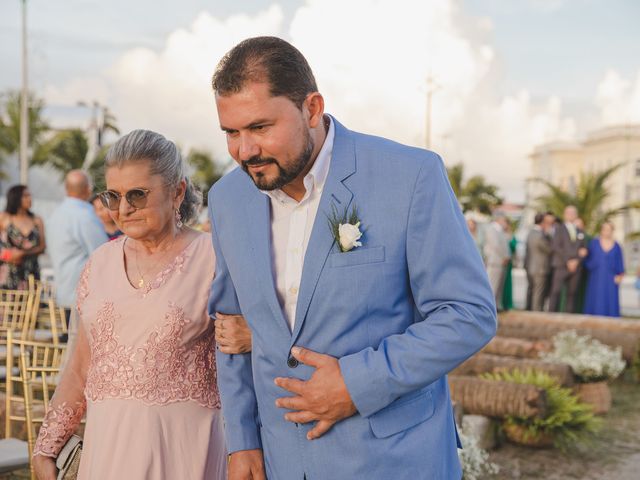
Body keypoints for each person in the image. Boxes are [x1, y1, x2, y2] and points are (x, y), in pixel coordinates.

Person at [208, 36, 496, 480]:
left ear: (311, 108)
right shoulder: (227, 198)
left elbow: (468, 314)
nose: (244, 151)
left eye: (260, 127)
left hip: (393, 459)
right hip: (281, 461)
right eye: (231, 132)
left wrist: (357, 383)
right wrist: (242, 440)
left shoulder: (411, 176)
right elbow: (230, 327)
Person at [32, 130, 251, 479]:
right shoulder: (98, 264)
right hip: (108, 448)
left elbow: (251, 350)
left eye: (137, 194)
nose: (123, 209)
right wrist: (48, 444)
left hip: (184, 450)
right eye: (113, 196)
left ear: (177, 192)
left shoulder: (214, 258)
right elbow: (80, 367)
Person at [46, 170, 109, 313]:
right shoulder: (85, 215)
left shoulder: (56, 214)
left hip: (64, 289)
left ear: (66, 189)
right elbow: (103, 253)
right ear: (88, 189)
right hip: (83, 294)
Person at [0, 185, 46, 289]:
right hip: (8, 275)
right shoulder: (4, 218)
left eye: (30, 195)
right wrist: (8, 255)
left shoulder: (37, 220)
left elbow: (42, 247)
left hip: (31, 274)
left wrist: (23, 253)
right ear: (15, 197)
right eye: (25, 196)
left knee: (32, 304)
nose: (30, 198)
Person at [548, 205, 588, 313]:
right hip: (561, 265)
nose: (571, 215)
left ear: (576, 215)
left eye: (573, 213)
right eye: (569, 213)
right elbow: (556, 247)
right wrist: (568, 261)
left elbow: (584, 249)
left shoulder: (580, 231)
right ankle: (551, 314)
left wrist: (576, 261)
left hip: (576, 267)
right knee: (555, 291)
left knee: (572, 293)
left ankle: (568, 316)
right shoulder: (558, 229)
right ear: (564, 215)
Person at [583, 221, 625, 317]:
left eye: (609, 229)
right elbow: (587, 260)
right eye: (604, 229)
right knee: (595, 299)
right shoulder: (594, 243)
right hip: (595, 277)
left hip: (610, 278)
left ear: (612, 231)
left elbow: (620, 263)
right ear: (601, 230)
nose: (606, 232)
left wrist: (620, 276)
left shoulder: (617, 246)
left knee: (610, 300)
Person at [524, 212, 554, 311]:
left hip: (530, 266)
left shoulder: (530, 233)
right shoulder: (540, 235)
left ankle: (529, 308)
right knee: (538, 292)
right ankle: (536, 311)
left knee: (531, 290)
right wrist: (550, 236)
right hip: (540, 268)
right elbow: (549, 249)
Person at [483, 214, 510, 311]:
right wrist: (504, 256)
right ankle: (490, 307)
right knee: (493, 285)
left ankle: (497, 305)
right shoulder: (492, 229)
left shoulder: (500, 230)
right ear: (499, 219)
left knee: (499, 286)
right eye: (504, 220)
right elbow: (495, 245)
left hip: (501, 262)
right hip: (495, 261)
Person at [501, 221, 517, 311]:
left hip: (509, 261)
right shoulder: (501, 235)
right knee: (503, 284)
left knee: (509, 283)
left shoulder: (511, 235)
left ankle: (508, 303)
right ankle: (503, 303)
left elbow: (515, 247)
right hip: (503, 261)